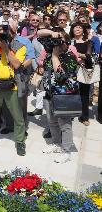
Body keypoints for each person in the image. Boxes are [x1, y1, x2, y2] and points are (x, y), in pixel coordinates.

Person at [0, 21, 27, 156]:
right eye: (1, 32)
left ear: (13, 33)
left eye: (7, 33)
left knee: (17, 117)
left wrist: (6, 47)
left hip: (11, 85)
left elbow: (16, 64)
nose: (4, 35)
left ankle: (20, 142)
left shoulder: (20, 47)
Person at [38, 27, 80, 163]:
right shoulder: (50, 52)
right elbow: (39, 33)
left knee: (65, 124)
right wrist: (52, 33)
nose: (57, 43)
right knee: (52, 122)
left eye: (60, 41)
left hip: (63, 96)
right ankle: (56, 144)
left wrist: (55, 56)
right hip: (49, 93)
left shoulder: (70, 57)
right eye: (56, 40)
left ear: (67, 43)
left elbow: (61, 76)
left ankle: (66, 151)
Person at [70, 21, 93, 126]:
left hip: (84, 69)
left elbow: (89, 56)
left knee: (84, 94)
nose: (77, 29)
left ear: (83, 30)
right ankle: (69, 113)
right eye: (75, 27)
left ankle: (84, 116)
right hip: (71, 70)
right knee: (70, 92)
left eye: (79, 27)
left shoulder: (88, 42)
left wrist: (77, 54)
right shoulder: (69, 41)